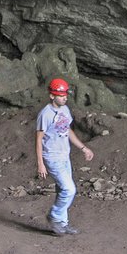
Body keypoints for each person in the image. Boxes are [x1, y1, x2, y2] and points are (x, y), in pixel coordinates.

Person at [36, 78, 94, 236]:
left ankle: (62, 224)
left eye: (65, 95)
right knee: (70, 189)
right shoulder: (45, 114)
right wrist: (41, 164)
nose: (64, 98)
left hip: (64, 155)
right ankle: (54, 216)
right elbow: (39, 139)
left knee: (63, 189)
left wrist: (83, 148)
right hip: (52, 156)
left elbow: (67, 130)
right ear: (52, 96)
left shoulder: (65, 110)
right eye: (61, 95)